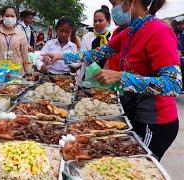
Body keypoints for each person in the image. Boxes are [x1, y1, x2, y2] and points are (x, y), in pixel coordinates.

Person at [48, 0, 182, 161]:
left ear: (132, 2)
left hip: (154, 122)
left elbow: (173, 84)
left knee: (138, 168)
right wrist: (61, 56)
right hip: (134, 112)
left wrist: (121, 77)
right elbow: (96, 53)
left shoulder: (159, 31)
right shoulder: (130, 32)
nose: (115, 10)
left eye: (116, 3)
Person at [0, 6, 29, 74]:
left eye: (12, 16)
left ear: (16, 18)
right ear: (2, 17)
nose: (10, 18)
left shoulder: (21, 34)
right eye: (7, 15)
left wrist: (28, 71)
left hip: (17, 73)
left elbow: (25, 56)